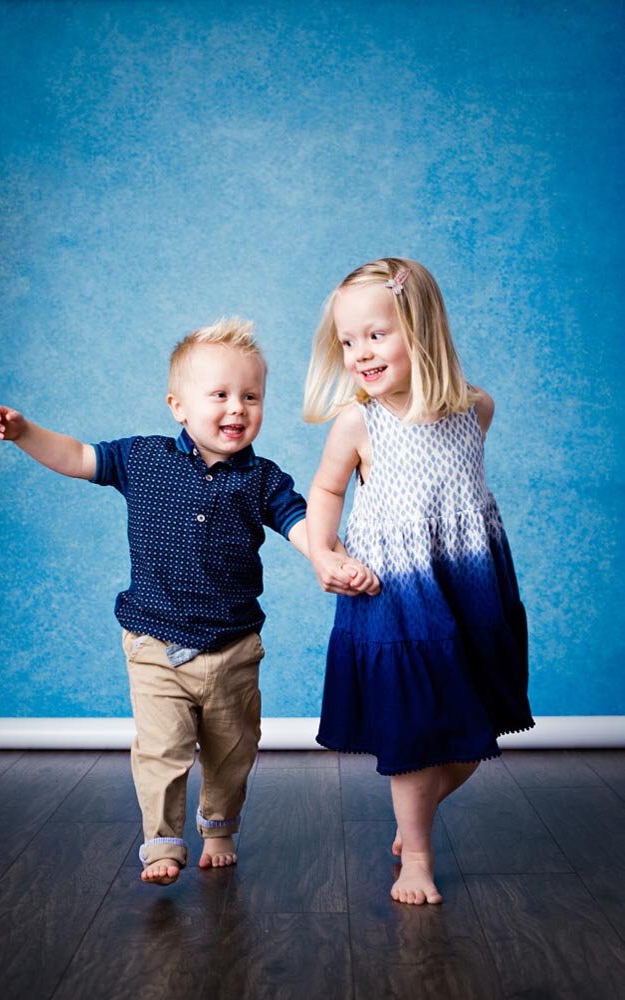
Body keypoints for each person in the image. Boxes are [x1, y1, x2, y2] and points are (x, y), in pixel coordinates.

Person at [0, 317, 378, 887]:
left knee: (232, 751)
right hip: (154, 639)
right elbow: (75, 455)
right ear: (178, 405)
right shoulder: (140, 460)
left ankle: (218, 826)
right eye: (219, 395)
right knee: (162, 749)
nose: (236, 409)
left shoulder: (263, 478)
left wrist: (327, 556)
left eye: (251, 397)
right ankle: (162, 842)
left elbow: (300, 523)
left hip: (234, 647)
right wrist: (25, 432)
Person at [303, 258, 534, 905]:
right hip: (394, 593)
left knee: (472, 729)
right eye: (348, 342)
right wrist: (324, 552)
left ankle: (417, 816)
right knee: (412, 727)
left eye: (375, 335)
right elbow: (326, 488)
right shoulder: (359, 423)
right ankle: (418, 854)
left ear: (422, 330)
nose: (360, 354)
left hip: (468, 585)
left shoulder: (475, 409)